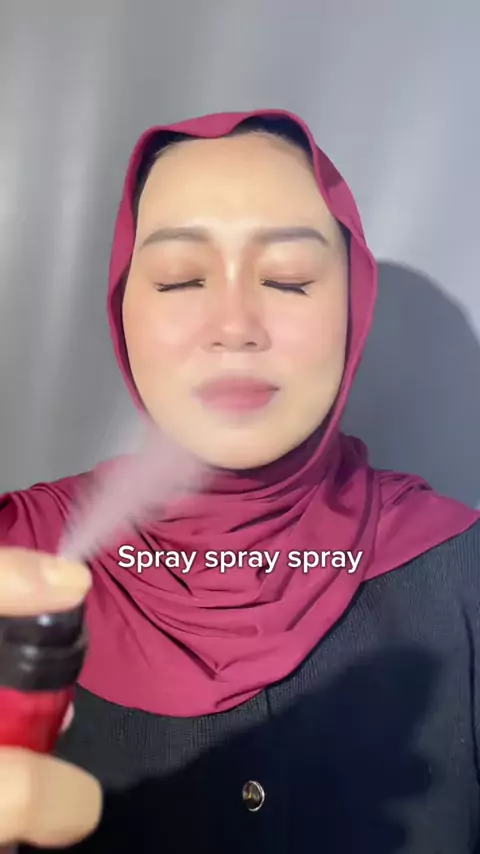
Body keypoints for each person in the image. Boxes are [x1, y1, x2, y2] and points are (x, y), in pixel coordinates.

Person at [0, 109, 479, 854]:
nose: (233, 325)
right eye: (180, 278)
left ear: (353, 310)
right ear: (122, 311)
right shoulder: (19, 559)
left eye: (287, 279)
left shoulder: (461, 570)